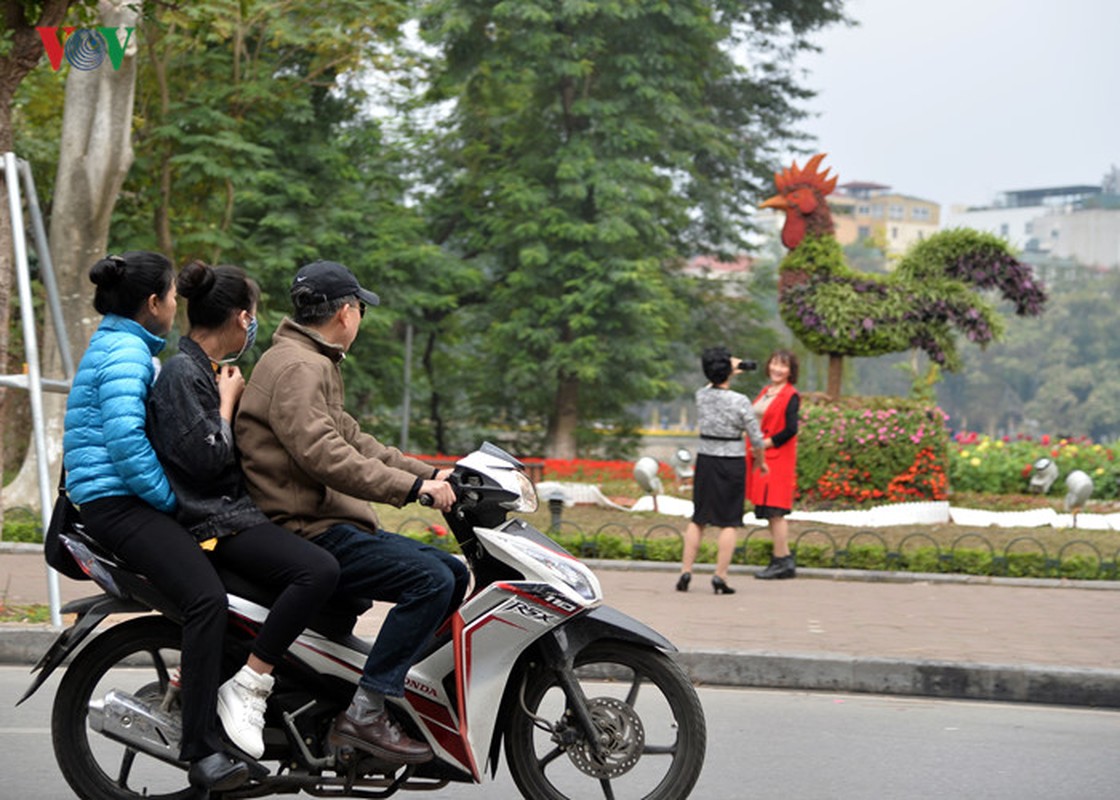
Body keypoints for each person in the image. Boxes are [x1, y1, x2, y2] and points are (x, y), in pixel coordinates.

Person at [235, 260, 470, 765]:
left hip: (324, 521)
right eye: (360, 308)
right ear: (345, 312)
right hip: (309, 530)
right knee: (432, 579)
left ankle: (395, 693)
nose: (359, 317)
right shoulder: (301, 367)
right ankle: (365, 712)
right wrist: (412, 488)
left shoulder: (310, 359)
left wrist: (433, 473)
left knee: (451, 570)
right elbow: (324, 453)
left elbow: (355, 439)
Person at [62, 252, 248, 792]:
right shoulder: (124, 352)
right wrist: (172, 499)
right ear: (153, 304)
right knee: (206, 599)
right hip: (118, 505)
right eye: (170, 297)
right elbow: (125, 442)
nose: (174, 305)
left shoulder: (121, 344)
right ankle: (200, 752)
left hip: (113, 499)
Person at [146, 260, 340, 760]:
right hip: (215, 521)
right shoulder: (182, 375)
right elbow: (207, 459)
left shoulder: (205, 371)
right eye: (252, 315)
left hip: (235, 515)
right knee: (318, 571)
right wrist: (227, 404)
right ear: (240, 317)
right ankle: (250, 685)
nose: (254, 325)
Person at [676, 347, 767, 595]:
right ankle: (720, 576)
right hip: (732, 461)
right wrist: (761, 461)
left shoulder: (701, 395)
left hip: (706, 459)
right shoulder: (740, 401)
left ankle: (686, 571)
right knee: (729, 521)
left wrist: (725, 369)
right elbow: (756, 439)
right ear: (728, 370)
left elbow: (711, 385)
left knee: (699, 518)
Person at [747, 349, 801, 580]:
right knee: (769, 512)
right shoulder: (766, 392)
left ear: (790, 371)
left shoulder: (791, 395)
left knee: (776, 511)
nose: (777, 369)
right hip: (761, 458)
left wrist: (765, 443)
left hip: (776, 458)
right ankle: (784, 559)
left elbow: (791, 429)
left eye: (783, 366)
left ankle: (780, 561)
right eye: (775, 364)